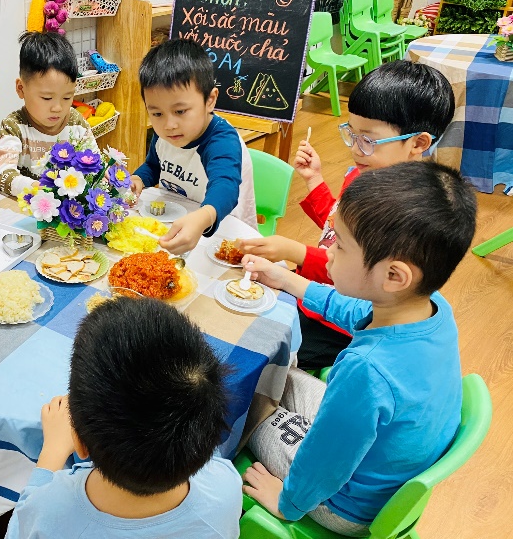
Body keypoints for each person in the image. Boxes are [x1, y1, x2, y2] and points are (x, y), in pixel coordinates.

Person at [240, 161, 477, 536]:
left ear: (394, 275)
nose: (327, 252)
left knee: (242, 400)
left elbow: (327, 462)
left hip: (343, 503)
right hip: (382, 462)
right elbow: (353, 309)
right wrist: (286, 279)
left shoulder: (366, 370)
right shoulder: (431, 307)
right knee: (276, 374)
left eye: (341, 245)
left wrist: (287, 503)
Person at [239, 61, 454, 368]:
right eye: (351, 134)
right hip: (313, 293)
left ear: (418, 143)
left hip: (340, 322)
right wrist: (314, 179)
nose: (355, 149)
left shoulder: (404, 213)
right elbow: (338, 226)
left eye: (368, 140)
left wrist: (296, 253)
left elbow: (354, 274)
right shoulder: (363, 173)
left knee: (260, 348)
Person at [5, 297, 242, 538]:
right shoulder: (226, 486)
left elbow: (20, 527)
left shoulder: (50, 513)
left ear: (79, 443)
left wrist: (52, 452)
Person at [131, 39, 256, 254]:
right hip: (177, 225)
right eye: (157, 113)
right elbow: (154, 166)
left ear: (210, 100)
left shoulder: (221, 140)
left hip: (223, 234)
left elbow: (225, 186)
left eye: (180, 111)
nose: (169, 125)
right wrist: (138, 179)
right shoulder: (166, 135)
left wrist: (202, 217)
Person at [0, 31, 98, 197]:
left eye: (67, 97)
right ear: (21, 88)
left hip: (65, 213)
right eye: (47, 98)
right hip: (25, 210)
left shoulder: (75, 122)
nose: (58, 107)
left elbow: (94, 162)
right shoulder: (14, 125)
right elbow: (4, 176)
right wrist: (35, 187)